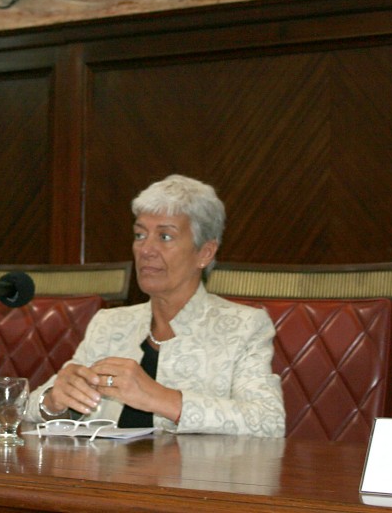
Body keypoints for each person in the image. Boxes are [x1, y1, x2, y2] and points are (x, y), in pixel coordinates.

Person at [25, 174, 285, 437]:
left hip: (195, 477)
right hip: (104, 475)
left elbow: (269, 421)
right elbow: (30, 407)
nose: (145, 249)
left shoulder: (244, 326)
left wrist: (158, 398)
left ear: (205, 252)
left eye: (165, 236)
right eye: (140, 234)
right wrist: (53, 402)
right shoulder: (110, 324)